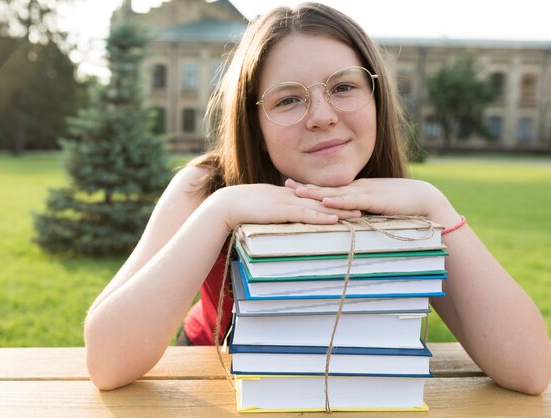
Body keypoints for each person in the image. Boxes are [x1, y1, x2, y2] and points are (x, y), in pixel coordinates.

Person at [84, 2, 551, 393]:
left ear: (376, 97)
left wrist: (436, 207)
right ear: (255, 126)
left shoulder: (408, 205)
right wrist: (220, 213)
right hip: (219, 382)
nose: (322, 116)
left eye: (344, 87)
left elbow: (530, 371)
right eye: (287, 100)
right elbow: (107, 362)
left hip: (365, 392)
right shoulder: (205, 187)